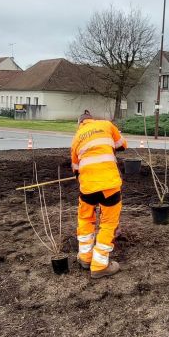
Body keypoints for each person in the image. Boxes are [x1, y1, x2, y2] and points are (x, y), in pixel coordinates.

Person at [70, 110, 127, 278]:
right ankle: (100, 265)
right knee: (108, 223)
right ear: (92, 119)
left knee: (85, 219)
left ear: (79, 123)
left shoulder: (76, 138)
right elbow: (122, 144)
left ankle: (85, 258)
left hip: (87, 187)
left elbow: (75, 169)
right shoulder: (106, 125)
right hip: (109, 185)